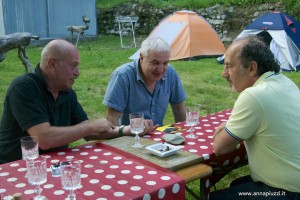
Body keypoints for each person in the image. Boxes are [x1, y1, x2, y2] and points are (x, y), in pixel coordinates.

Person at [0, 39, 154, 164]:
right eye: (73, 66)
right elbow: (44, 139)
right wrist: (89, 126)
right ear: (52, 63)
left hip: (54, 166)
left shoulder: (66, 92)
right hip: (16, 170)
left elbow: (87, 132)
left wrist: (127, 130)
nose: (77, 73)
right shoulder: (23, 87)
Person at [211, 35, 300, 199]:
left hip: (284, 193)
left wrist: (227, 126)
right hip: (294, 184)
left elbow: (219, 147)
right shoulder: (285, 82)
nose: (224, 74)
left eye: (229, 66)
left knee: (215, 197)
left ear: (252, 68)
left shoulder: (254, 95)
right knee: (236, 186)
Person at [103, 37, 186, 129]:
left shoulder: (170, 73)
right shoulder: (123, 76)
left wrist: (184, 133)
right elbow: (111, 120)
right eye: (155, 63)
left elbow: (179, 109)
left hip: (159, 135)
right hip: (130, 137)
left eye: (165, 63)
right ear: (141, 58)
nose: (161, 69)